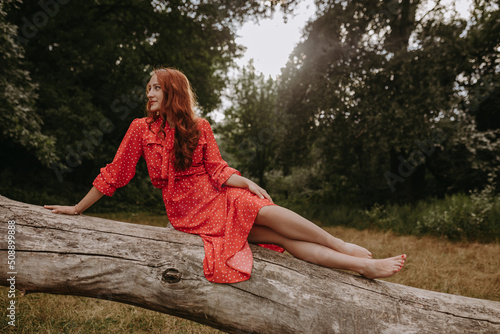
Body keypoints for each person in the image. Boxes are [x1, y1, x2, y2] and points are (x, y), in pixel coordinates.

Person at [44, 68, 406, 283]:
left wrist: (245, 181)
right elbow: (115, 173)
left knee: (272, 219)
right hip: (190, 216)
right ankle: (355, 257)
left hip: (219, 197)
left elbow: (216, 169)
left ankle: (357, 261)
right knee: (273, 227)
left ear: (172, 91)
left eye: (155, 87)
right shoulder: (141, 129)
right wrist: (77, 209)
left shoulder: (199, 127)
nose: (148, 93)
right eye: (148, 88)